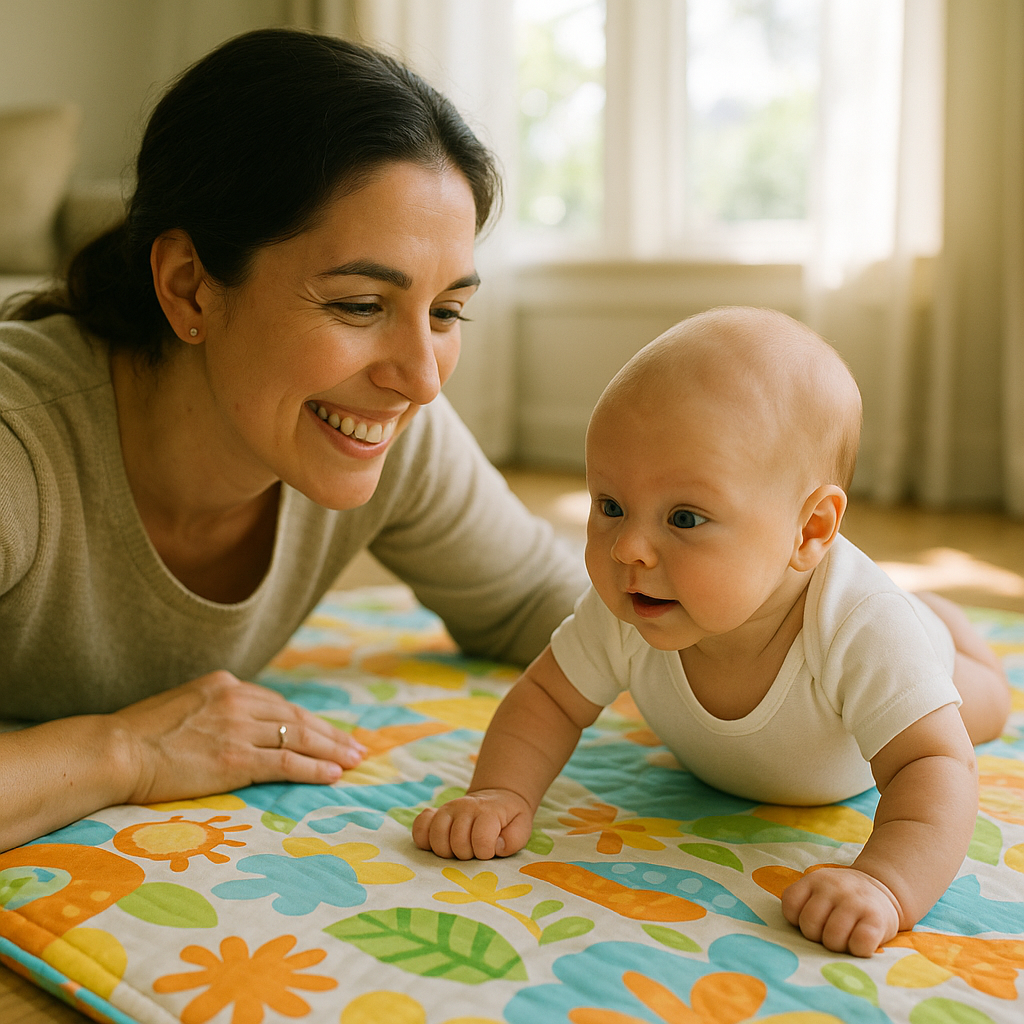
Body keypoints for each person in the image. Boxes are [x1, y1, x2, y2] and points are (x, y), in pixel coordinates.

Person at [0, 29, 587, 853]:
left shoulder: (387, 434)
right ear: (188, 285)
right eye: (358, 305)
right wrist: (127, 751)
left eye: (448, 311)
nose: (421, 377)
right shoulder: (16, 452)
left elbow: (540, 604)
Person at [413, 306, 1012, 959]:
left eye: (686, 518)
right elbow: (548, 700)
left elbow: (934, 764)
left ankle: (945, 624)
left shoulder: (862, 628)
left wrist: (886, 884)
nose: (630, 548)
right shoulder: (630, 604)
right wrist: (501, 792)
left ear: (810, 531)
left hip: (906, 663)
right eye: (610, 506)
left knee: (980, 709)